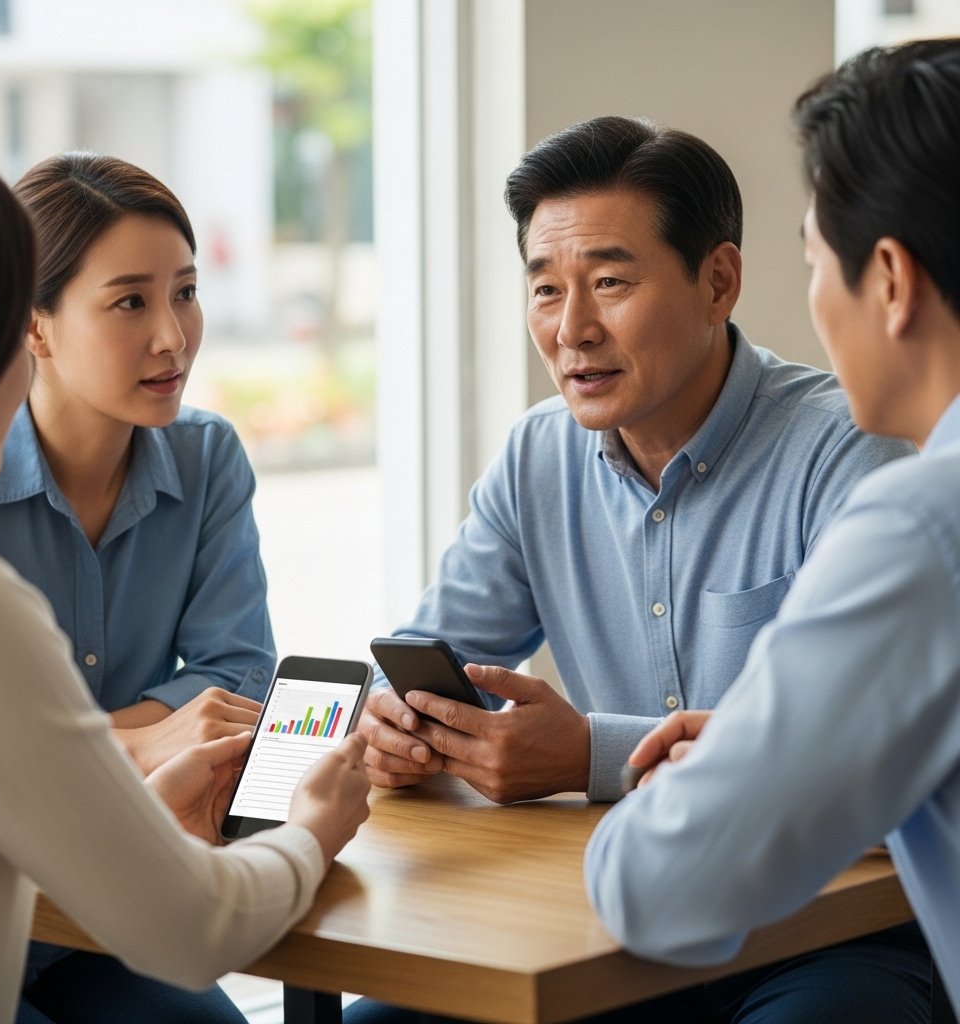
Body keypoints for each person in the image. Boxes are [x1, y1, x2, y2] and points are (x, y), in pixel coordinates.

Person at [350, 118, 924, 1023]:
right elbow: (425, 657)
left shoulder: (848, 455)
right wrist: (398, 725)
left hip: (826, 928)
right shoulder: (538, 458)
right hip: (619, 925)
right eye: (546, 289)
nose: (571, 329)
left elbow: (862, 763)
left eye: (610, 283)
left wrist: (591, 753)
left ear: (718, 281)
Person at [0, 143, 371, 1024]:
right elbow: (193, 926)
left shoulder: (205, 455)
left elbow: (238, 674)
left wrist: (94, 767)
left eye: (187, 291)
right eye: (130, 301)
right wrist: (307, 825)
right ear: (28, 329)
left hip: (91, 919)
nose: (172, 337)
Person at [584, 37, 960, 1021]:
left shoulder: (921, 523)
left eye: (812, 261)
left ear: (889, 279)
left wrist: (730, 768)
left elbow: (655, 887)